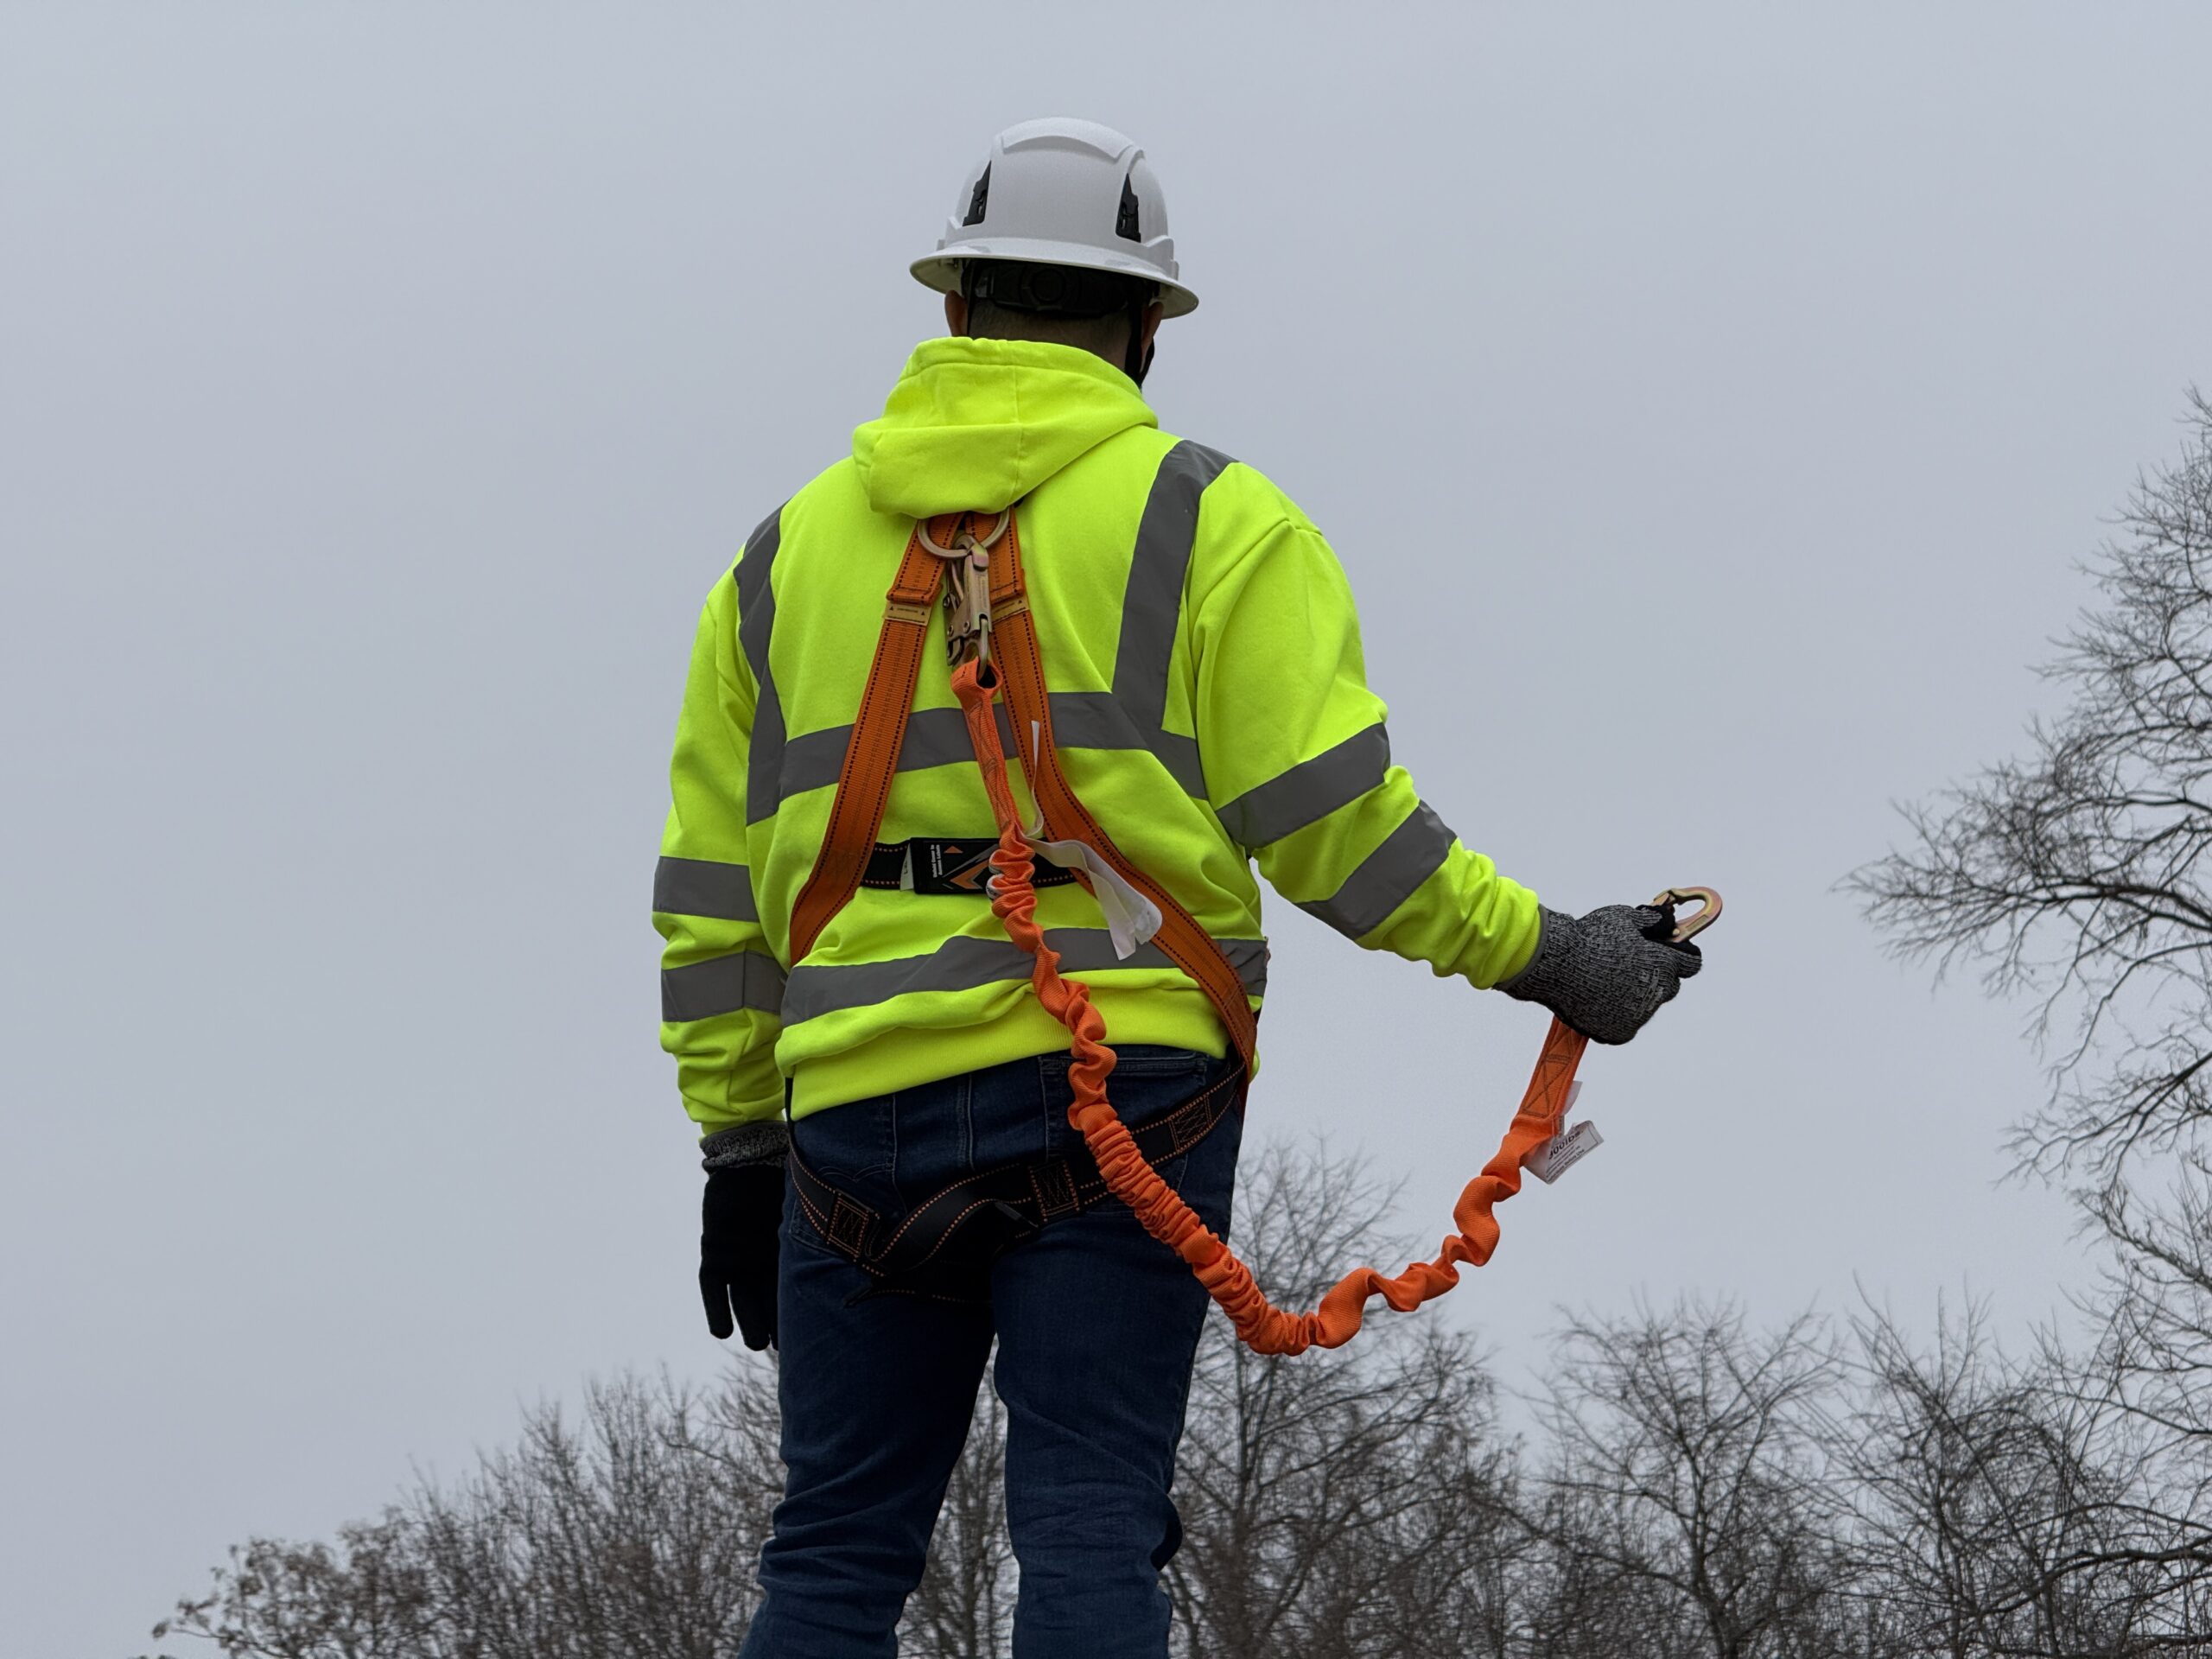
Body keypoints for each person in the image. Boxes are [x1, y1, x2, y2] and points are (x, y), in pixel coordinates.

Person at [653, 115, 1701, 1659]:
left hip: (851, 1124)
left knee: (828, 1557)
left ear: (955, 311)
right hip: (1117, 1104)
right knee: (1087, 1517)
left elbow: (710, 895)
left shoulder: (780, 557)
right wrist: (1559, 958)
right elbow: (1344, 836)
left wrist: (738, 1140)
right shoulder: (1216, 519)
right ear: (1148, 326)